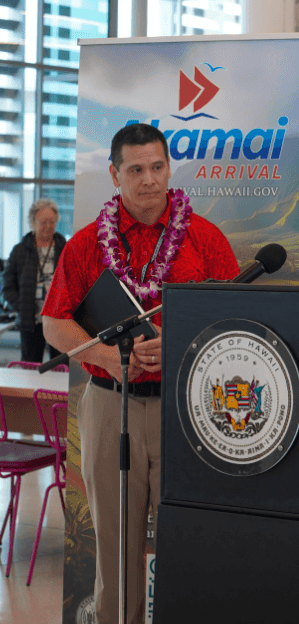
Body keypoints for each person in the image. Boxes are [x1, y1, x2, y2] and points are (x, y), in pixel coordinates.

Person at [42, 123, 240, 624]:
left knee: (189, 537)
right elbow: (53, 321)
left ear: (169, 168)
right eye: (136, 169)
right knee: (115, 539)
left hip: (187, 407)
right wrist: (109, 357)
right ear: (114, 174)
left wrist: (185, 348)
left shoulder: (205, 238)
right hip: (111, 402)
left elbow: (237, 319)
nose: (149, 180)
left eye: (157, 167)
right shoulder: (87, 244)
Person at [3, 198, 65, 362]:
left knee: (60, 367)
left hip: (59, 320)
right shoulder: (20, 250)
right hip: (30, 320)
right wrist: (20, 305)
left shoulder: (65, 248)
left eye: (52, 221)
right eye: (43, 221)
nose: (48, 226)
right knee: (29, 368)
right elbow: (7, 285)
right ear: (32, 222)